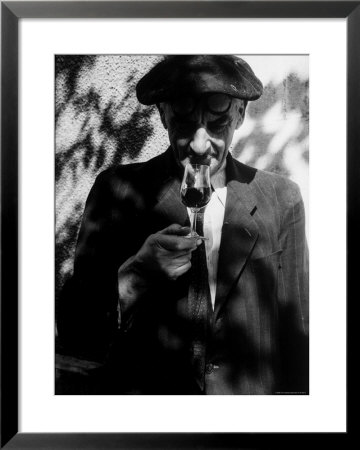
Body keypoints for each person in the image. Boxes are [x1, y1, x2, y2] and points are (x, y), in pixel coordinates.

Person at [58, 55, 309, 395]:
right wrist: (134, 277)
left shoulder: (281, 198)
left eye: (218, 124)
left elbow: (297, 336)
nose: (200, 144)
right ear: (162, 115)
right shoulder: (116, 191)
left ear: (240, 114)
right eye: (184, 123)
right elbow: (77, 332)